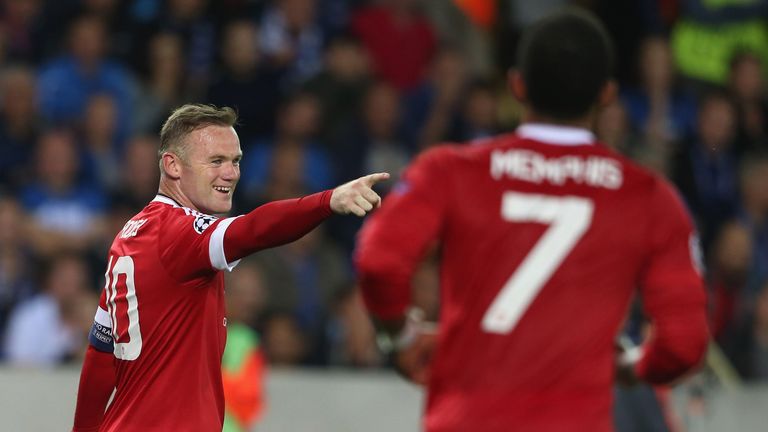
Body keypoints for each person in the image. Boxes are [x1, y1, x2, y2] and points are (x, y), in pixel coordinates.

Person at [355, 8, 709, 432]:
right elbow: (684, 344)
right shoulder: (649, 197)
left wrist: (399, 337)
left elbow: (379, 261)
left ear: (516, 85)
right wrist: (632, 368)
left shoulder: (449, 171)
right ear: (608, 94)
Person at [71, 104, 388, 431]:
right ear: (173, 165)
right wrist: (327, 201)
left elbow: (101, 355)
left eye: (235, 161)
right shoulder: (180, 233)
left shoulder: (129, 234)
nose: (231, 173)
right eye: (216, 161)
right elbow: (253, 230)